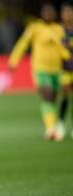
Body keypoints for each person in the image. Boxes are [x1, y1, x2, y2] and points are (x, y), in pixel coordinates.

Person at [8, 3, 70, 140]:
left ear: (54, 14)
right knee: (47, 94)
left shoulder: (59, 29)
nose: (48, 14)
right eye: (46, 12)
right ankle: (50, 129)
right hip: (41, 69)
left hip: (57, 70)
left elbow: (62, 48)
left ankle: (52, 125)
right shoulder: (34, 28)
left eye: (50, 12)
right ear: (42, 14)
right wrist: (13, 60)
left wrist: (67, 57)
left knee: (53, 97)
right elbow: (23, 43)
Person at [56, 2, 73, 140]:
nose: (67, 15)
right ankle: (60, 124)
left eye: (69, 12)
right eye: (65, 13)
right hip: (65, 69)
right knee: (65, 95)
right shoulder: (58, 30)